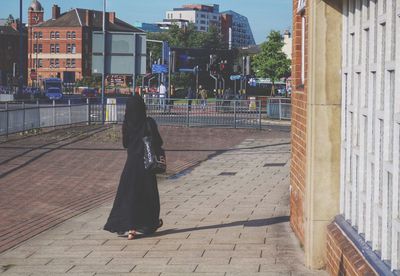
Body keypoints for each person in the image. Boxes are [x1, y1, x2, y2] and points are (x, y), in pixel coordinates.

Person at [104, 95, 163, 239]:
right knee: (147, 196)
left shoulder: (127, 124)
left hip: (131, 165)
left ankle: (130, 227)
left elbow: (125, 144)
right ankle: (147, 224)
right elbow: (158, 142)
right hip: (146, 165)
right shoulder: (149, 122)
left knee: (128, 196)